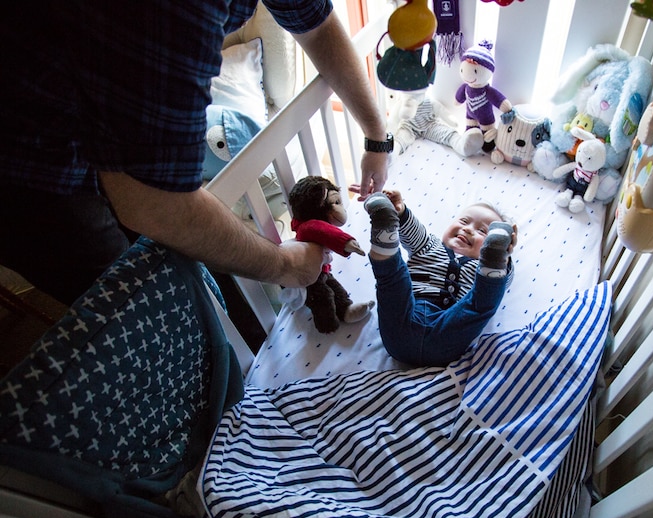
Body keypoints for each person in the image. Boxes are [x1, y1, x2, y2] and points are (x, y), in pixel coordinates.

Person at [0, 1, 390, 306]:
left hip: (90, 105)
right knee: (143, 306)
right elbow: (155, 205)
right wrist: (284, 265)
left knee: (197, 269)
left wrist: (376, 135)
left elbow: (318, 27)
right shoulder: (171, 14)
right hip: (31, 168)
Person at [359, 189, 517, 367]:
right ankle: (385, 229)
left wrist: (502, 256)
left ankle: (496, 256)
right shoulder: (429, 245)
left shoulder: (480, 268)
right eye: (464, 221)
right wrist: (400, 211)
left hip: (448, 331)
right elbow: (413, 231)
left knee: (483, 301)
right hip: (403, 318)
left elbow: (501, 283)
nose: (468, 229)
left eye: (482, 231)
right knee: (393, 280)